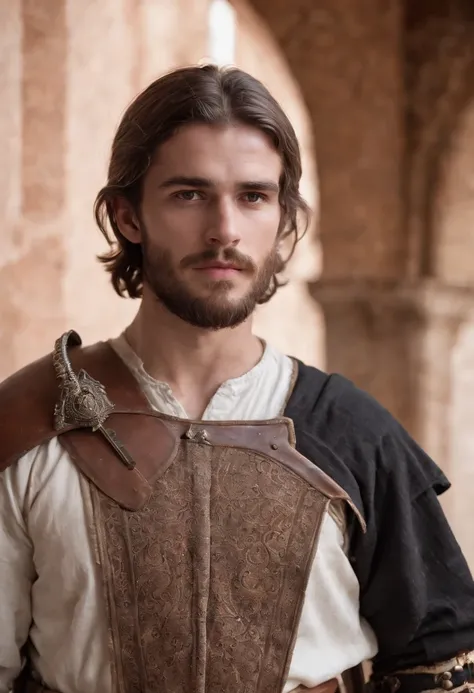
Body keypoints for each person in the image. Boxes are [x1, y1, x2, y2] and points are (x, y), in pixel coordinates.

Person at [0, 64, 473, 693]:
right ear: (128, 216)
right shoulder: (31, 424)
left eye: (253, 196)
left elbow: (438, 663)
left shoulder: (353, 435)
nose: (224, 230)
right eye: (188, 194)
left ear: (281, 222)